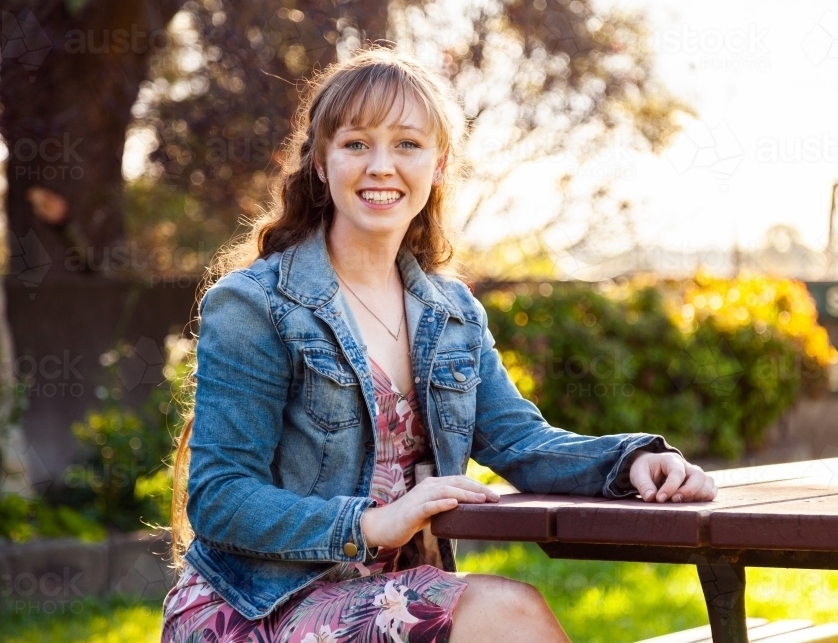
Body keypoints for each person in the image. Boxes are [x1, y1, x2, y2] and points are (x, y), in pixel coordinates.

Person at [161, 44, 717, 643]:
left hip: (385, 599)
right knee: (510, 612)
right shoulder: (255, 304)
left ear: (439, 163)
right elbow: (220, 498)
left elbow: (522, 443)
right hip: (259, 607)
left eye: (407, 144)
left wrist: (630, 462)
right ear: (321, 163)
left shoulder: (451, 314)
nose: (381, 166)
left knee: (506, 612)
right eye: (356, 144)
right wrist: (371, 523)